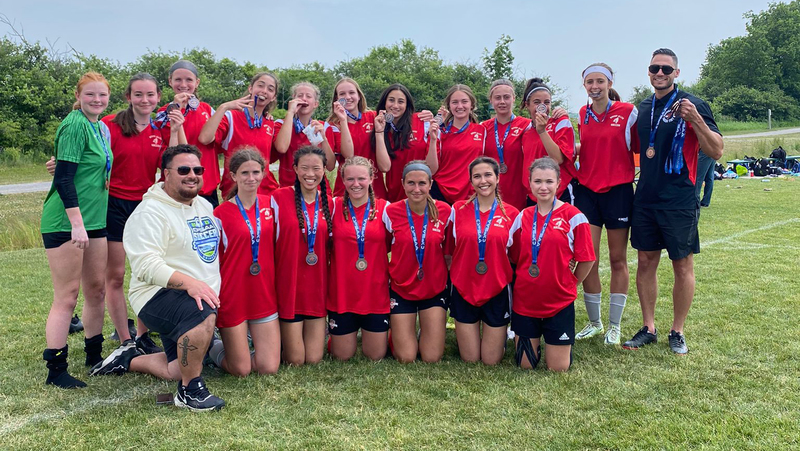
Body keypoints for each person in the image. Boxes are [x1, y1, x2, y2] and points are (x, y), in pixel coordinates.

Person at [89, 144, 225, 411]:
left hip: (192, 294)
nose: (192, 175)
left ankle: (127, 359)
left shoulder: (204, 206)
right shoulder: (149, 212)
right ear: (165, 174)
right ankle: (189, 391)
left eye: (198, 169)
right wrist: (192, 284)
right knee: (202, 312)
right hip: (156, 296)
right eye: (184, 169)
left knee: (176, 368)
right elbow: (146, 266)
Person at [624, 48, 723, 354]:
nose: (660, 73)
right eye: (655, 68)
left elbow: (717, 150)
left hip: (679, 198)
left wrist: (696, 121)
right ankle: (648, 327)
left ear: (676, 73)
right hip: (646, 198)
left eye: (666, 69)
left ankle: (677, 331)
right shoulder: (643, 107)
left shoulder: (693, 103)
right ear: (649, 72)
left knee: (682, 265)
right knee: (645, 262)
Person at [41, 72, 112, 388]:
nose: (97, 100)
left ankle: (94, 357)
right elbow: (65, 179)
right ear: (79, 96)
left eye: (102, 95)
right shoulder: (74, 124)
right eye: (90, 95)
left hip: (95, 221)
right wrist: (77, 224)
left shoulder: (102, 127)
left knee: (97, 290)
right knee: (67, 296)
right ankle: (56, 370)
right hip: (67, 223)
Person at [572, 63, 639, 346]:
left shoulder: (627, 112)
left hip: (618, 192)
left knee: (617, 259)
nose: (595, 86)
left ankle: (614, 325)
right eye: (590, 82)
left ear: (610, 83)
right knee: (589, 258)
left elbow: (639, 148)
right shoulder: (582, 114)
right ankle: (594, 322)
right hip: (588, 191)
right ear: (584, 85)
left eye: (600, 81)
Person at [509, 157, 595, 371]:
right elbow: (515, 254)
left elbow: (587, 258)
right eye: (537, 181)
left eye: (549, 181)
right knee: (525, 365)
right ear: (530, 184)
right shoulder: (523, 216)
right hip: (526, 300)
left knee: (558, 369)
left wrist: (572, 282)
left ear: (559, 183)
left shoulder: (574, 217)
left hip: (559, 300)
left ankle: (559, 345)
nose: (543, 187)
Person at [207, 149, 280, 376]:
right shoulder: (219, 213)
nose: (251, 178)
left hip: (263, 293)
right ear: (233, 176)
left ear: (263, 174)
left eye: (256, 172)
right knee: (241, 370)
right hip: (233, 294)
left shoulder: (272, 205)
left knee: (268, 367)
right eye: (245, 173)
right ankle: (212, 348)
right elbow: (213, 259)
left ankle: (242, 346)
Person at [447, 156, 519, 365]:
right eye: (477, 176)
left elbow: (516, 257)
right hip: (464, 288)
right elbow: (449, 252)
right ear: (471, 181)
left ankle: (501, 336)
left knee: (490, 360)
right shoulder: (457, 209)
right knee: (469, 358)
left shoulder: (512, 214)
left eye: (488, 175)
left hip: (496, 289)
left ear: (497, 178)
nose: (483, 181)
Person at [270, 146, 333, 365]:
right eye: (304, 168)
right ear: (295, 169)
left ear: (324, 170)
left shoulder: (330, 203)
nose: (310, 174)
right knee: (295, 360)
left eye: (316, 168)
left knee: (314, 359)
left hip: (316, 286)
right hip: (289, 286)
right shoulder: (277, 198)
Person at [383, 161, 451, 363]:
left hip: (434, 288)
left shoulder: (445, 211)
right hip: (401, 288)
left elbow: (449, 254)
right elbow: (383, 247)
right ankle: (395, 332)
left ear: (430, 184)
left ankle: (425, 331)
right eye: (411, 183)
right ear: (403, 184)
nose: (417, 189)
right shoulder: (390, 212)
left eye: (422, 183)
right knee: (406, 357)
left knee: (432, 357)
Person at [327, 157, 390, 361]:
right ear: (342, 180)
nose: (356, 184)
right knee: (342, 355)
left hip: (374, 293)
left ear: (372, 178)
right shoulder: (333, 207)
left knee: (375, 355)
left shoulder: (385, 208)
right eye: (350, 179)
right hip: (343, 294)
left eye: (361, 178)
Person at [198, 72, 280, 199]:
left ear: (273, 97)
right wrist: (223, 107)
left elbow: (271, 157)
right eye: (260, 85)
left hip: (265, 193)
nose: (264, 91)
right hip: (235, 191)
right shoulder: (231, 117)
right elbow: (204, 138)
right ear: (250, 88)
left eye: (270, 89)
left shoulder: (270, 123)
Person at [155, 60, 220, 207]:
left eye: (189, 80)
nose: (183, 84)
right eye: (178, 79)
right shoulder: (164, 112)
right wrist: (177, 109)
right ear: (170, 82)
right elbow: (176, 151)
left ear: (197, 82)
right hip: (180, 186)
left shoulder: (207, 110)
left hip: (207, 186)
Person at [372, 83, 435, 202]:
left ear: (407, 105)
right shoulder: (379, 125)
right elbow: (385, 167)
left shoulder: (421, 121)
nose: (395, 105)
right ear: (384, 103)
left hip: (421, 192)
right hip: (395, 194)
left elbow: (432, 166)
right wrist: (379, 132)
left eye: (401, 102)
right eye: (391, 100)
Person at [519, 78, 577, 206]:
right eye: (536, 102)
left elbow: (558, 159)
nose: (542, 106)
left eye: (547, 102)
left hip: (560, 193)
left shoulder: (560, 122)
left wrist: (542, 131)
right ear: (527, 105)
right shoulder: (525, 130)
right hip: (534, 195)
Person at [428, 84, 486, 204]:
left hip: (472, 194)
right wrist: (433, 140)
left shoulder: (482, 130)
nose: (460, 106)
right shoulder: (439, 132)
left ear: (471, 105)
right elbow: (431, 170)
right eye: (455, 102)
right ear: (449, 106)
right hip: (440, 192)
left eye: (464, 101)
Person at [273, 82, 336, 188]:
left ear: (315, 104)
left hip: (319, 189)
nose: (304, 99)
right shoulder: (281, 124)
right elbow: (282, 148)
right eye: (300, 95)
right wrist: (290, 112)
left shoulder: (324, 127)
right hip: (289, 187)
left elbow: (330, 166)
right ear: (293, 100)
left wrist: (323, 138)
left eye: (308, 96)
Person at [481, 79, 531, 210]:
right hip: (491, 193)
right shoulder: (483, 128)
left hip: (519, 194)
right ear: (491, 100)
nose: (502, 102)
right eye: (497, 98)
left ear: (513, 98)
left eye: (506, 97)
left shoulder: (526, 125)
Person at [327, 78, 382, 198]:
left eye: (351, 92)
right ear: (336, 99)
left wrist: (419, 116)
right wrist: (343, 120)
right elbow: (349, 156)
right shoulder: (332, 126)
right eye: (342, 94)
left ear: (359, 95)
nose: (347, 97)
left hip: (375, 186)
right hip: (347, 187)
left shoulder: (373, 116)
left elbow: (397, 118)